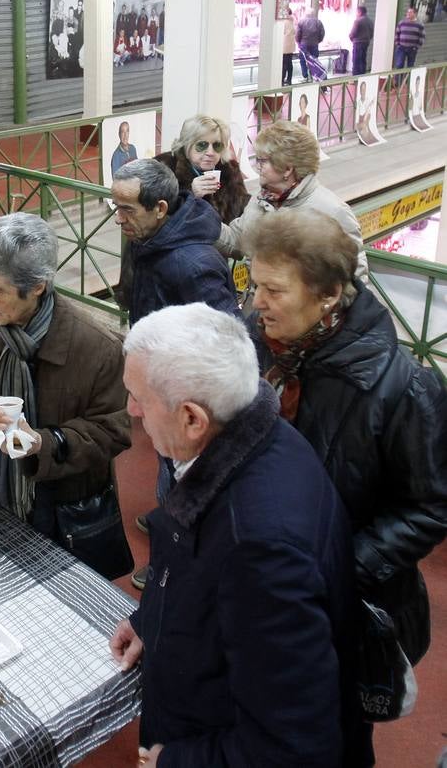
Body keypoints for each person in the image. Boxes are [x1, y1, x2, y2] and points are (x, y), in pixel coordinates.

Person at [110, 303, 365, 766]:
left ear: (192, 418)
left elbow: (296, 746)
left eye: (138, 399)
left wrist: (177, 761)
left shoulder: (260, 549)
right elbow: (190, 566)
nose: (130, 410)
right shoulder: (250, 437)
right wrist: (153, 622)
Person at [247, 210, 447, 681]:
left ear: (330, 295)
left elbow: (431, 508)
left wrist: (337, 569)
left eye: (274, 290)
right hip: (261, 579)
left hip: (339, 603)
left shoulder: (404, 390)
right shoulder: (262, 348)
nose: (256, 303)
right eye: (253, 285)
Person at [0, 214, 132, 573]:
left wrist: (45, 444)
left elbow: (113, 431)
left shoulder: (97, 348)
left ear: (37, 286)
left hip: (64, 516)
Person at [217, 119, 367, 282]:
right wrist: (204, 224)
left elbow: (355, 279)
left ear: (287, 169)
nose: (257, 167)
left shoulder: (333, 211)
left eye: (263, 161)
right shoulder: (260, 200)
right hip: (261, 304)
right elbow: (237, 239)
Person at [111, 159, 240, 327]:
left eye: (128, 210)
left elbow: (230, 337)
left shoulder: (196, 266)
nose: (118, 219)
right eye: (117, 207)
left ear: (161, 209)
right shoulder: (144, 237)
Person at [154, 115, 249, 224]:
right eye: (202, 145)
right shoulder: (164, 169)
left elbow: (243, 213)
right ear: (186, 145)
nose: (210, 152)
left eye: (217, 146)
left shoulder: (230, 170)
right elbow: (156, 218)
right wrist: (190, 194)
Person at [394, 6, 426, 72]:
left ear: (415, 14)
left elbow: (422, 37)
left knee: (410, 66)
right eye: (407, 12)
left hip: (412, 48)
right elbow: (397, 33)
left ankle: (408, 81)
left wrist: (417, 47)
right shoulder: (401, 23)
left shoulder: (420, 25)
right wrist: (397, 43)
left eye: (410, 12)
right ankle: (398, 81)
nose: (408, 14)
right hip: (401, 48)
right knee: (399, 65)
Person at [296, 8, 325, 80]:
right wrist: (318, 41)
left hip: (304, 44)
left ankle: (305, 75)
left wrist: (298, 42)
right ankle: (314, 75)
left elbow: (298, 34)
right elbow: (322, 33)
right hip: (314, 44)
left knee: (303, 60)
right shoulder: (318, 22)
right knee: (314, 60)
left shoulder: (301, 22)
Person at [350, 5, 373, 76]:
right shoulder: (370, 21)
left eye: (357, 12)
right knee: (363, 60)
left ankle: (355, 78)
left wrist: (352, 39)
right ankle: (363, 76)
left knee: (356, 61)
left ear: (360, 12)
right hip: (366, 43)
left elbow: (352, 33)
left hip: (358, 43)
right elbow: (372, 33)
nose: (356, 14)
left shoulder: (358, 21)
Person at [281, 9, 296, 85]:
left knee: (284, 63)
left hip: (284, 45)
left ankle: (282, 80)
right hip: (291, 46)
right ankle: (289, 79)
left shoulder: (283, 22)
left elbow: (281, 33)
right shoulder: (292, 21)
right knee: (289, 63)